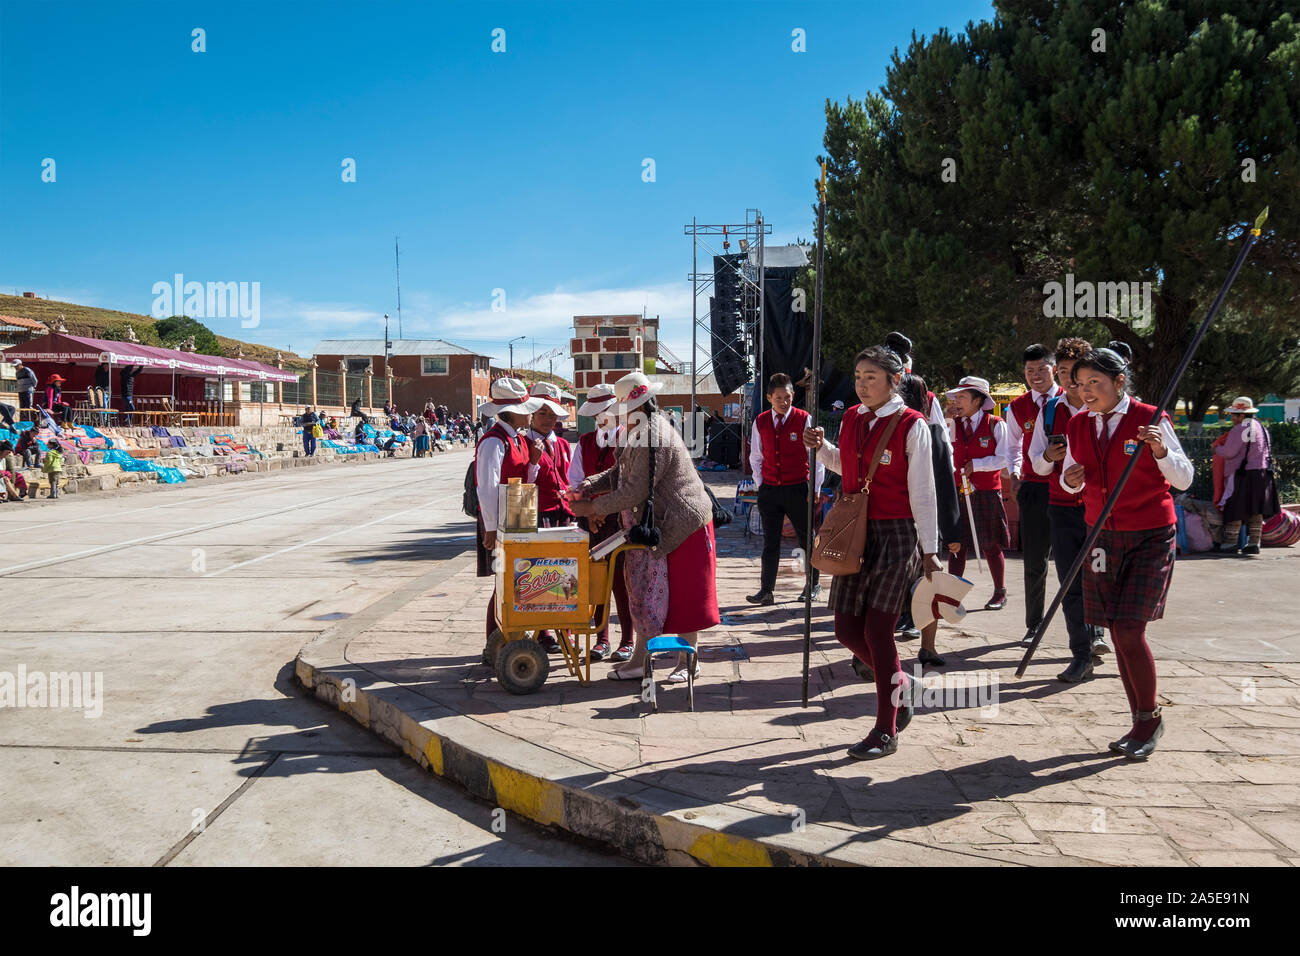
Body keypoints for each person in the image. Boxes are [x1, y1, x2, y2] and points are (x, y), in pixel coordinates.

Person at [803, 346, 939, 760]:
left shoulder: (913, 426)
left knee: (879, 631)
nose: (862, 384)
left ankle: (886, 729)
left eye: (872, 377)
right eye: (858, 376)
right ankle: (902, 684)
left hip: (897, 535)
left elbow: (924, 492)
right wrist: (822, 447)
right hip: (852, 529)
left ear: (894, 380)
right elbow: (849, 467)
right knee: (845, 629)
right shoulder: (851, 418)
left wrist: (930, 550)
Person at [1060, 344, 1193, 760]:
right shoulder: (1078, 424)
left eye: (1094, 383)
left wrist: (1159, 451)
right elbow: (1071, 483)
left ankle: (1148, 718)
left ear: (1119, 382)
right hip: (1100, 534)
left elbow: (1184, 478)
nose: (1085, 391)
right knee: (1116, 631)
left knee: (1130, 629)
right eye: (1079, 384)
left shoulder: (1150, 419)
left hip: (1151, 534)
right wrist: (1071, 480)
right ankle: (1141, 718)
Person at [567, 371, 720, 684]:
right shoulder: (637, 430)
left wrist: (592, 506)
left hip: (684, 522)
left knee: (684, 597)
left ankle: (688, 662)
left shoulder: (654, 435)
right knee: (650, 593)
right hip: (665, 524)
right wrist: (590, 484)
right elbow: (618, 472)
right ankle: (642, 658)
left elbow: (634, 490)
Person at [1029, 338, 1110, 682]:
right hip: (1062, 509)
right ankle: (1080, 652)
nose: (1069, 380)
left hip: (1103, 511)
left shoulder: (1105, 411)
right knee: (1069, 583)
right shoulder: (1049, 410)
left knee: (1101, 577)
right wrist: (1049, 457)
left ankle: (1101, 635)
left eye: (1074, 373)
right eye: (1062, 372)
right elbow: (1036, 462)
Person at [476, 379, 545, 661]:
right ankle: (495, 645)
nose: (530, 415)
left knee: (511, 583)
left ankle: (503, 641)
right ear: (512, 412)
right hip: (501, 524)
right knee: (502, 585)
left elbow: (524, 482)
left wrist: (533, 462)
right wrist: (491, 527)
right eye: (525, 410)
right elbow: (487, 486)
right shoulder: (493, 442)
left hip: (517, 519)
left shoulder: (516, 439)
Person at [898, 373, 963, 669]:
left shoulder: (894, 428)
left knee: (890, 586)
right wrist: (951, 531)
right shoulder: (934, 432)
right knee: (928, 585)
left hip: (897, 520)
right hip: (927, 524)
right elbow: (946, 486)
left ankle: (875, 649)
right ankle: (928, 646)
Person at [746, 372, 825, 606]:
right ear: (770, 397)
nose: (784, 402)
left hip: (798, 488)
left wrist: (816, 486)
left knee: (806, 539)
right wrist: (761, 485)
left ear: (793, 396)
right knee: (770, 542)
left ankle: (813, 584)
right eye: (778, 397)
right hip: (770, 490)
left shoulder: (804, 419)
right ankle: (766, 589)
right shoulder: (760, 421)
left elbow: (817, 456)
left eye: (788, 397)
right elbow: (756, 456)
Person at [568, 385, 634, 663]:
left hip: (620, 519)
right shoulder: (584, 442)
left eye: (605, 411)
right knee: (597, 580)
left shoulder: (629, 440)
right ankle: (602, 638)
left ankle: (628, 640)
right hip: (591, 521)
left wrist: (603, 509)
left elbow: (631, 483)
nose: (601, 417)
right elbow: (574, 482)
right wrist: (590, 513)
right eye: (597, 413)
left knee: (621, 580)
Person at [1005, 344, 1063, 640]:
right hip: (1034, 489)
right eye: (1030, 371)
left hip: (1070, 489)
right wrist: (1014, 474)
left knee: (1078, 562)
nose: (1036, 376)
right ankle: (1033, 625)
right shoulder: (1017, 407)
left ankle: (1091, 631)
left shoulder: (1070, 399)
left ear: (1054, 369)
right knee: (1034, 561)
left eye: (1042, 369)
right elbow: (1012, 445)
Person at [946, 375, 1011, 610]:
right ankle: (952, 596)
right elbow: (945, 451)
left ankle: (999, 591)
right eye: (956, 396)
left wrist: (978, 464)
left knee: (991, 543)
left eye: (963, 396)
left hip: (986, 491)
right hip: (958, 490)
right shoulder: (954, 424)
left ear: (977, 400)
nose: (957, 401)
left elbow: (1005, 458)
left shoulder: (995, 424)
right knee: (957, 545)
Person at [526, 382, 576, 654]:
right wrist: (533, 461)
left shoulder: (565, 445)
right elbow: (523, 482)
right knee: (542, 573)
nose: (547, 419)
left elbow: (571, 479)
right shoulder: (525, 444)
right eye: (542, 413)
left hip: (564, 516)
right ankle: (544, 631)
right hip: (539, 515)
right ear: (532, 414)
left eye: (552, 414)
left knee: (567, 573)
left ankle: (565, 629)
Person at [1214, 396, 1279, 556]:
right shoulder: (1260, 427)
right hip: (1262, 473)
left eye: (1234, 414)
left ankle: (1230, 542)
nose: (1232, 418)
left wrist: (1216, 449)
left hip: (1243, 474)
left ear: (1242, 415)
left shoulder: (1240, 428)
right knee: (1256, 509)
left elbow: (1230, 452)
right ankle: (1254, 542)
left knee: (1236, 506)